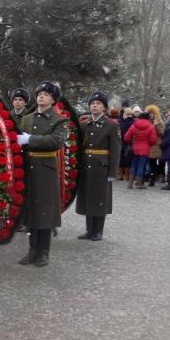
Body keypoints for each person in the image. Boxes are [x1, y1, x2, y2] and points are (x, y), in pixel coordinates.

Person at [17, 82, 67, 266]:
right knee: (31, 211)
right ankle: (32, 250)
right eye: (39, 94)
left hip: (46, 168)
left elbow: (57, 141)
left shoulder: (59, 119)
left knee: (45, 211)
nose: (41, 97)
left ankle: (43, 251)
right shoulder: (27, 119)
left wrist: (31, 139)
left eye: (46, 94)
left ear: (53, 99)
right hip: (29, 167)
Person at [75, 92, 120, 240]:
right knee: (88, 197)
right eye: (92, 103)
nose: (94, 106)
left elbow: (115, 150)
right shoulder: (84, 124)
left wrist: (112, 172)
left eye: (98, 103)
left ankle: (98, 231)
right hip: (86, 165)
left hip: (101, 166)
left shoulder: (111, 125)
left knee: (100, 198)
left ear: (104, 108)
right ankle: (89, 230)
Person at [123, 112, 157, 189]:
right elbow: (154, 140)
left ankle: (130, 184)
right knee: (141, 166)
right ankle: (139, 183)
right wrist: (149, 144)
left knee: (133, 165)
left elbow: (126, 137)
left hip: (134, 148)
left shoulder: (133, 126)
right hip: (145, 149)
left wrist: (132, 141)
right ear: (148, 118)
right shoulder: (151, 127)